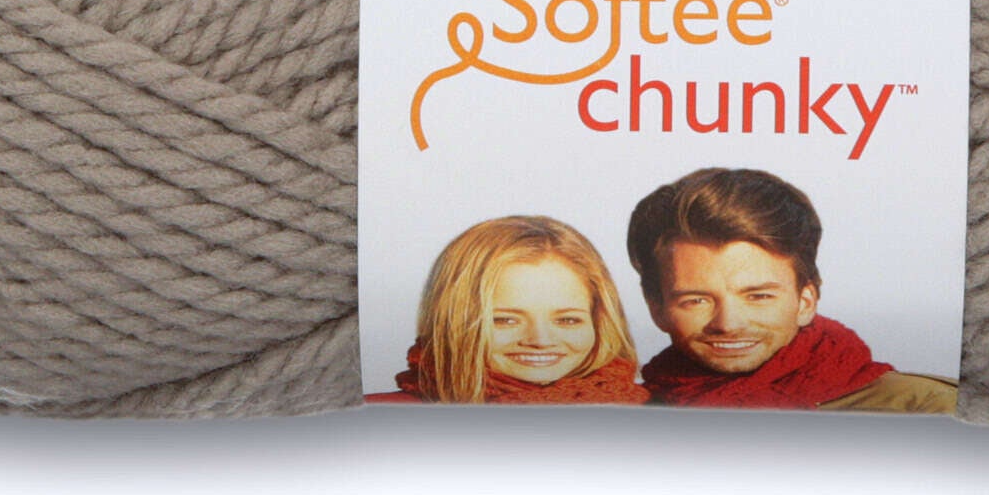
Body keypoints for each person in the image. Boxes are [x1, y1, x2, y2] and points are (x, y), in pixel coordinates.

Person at [625, 169, 956, 413]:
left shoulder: (926, 408)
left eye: (759, 296)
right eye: (696, 300)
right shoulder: (629, 412)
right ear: (656, 308)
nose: (728, 323)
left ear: (805, 301)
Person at [374, 215, 649, 404]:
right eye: (505, 320)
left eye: (567, 320)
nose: (540, 340)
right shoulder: (386, 417)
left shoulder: (653, 410)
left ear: (599, 321)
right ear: (455, 321)